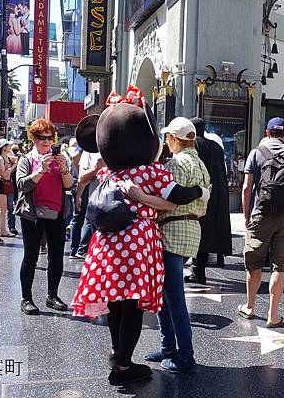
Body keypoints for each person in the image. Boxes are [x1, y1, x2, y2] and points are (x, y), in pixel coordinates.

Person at [71, 90, 209, 385]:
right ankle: (123, 366)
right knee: (132, 303)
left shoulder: (110, 172)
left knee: (115, 302)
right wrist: (201, 192)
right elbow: (179, 196)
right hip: (136, 243)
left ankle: (117, 352)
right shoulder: (151, 172)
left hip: (106, 245)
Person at [141, 117, 210, 373]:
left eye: (167, 138)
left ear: (172, 139)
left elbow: (167, 199)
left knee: (172, 297)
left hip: (172, 228)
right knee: (165, 295)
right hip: (190, 229)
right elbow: (202, 207)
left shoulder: (177, 163)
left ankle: (184, 355)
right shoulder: (200, 164)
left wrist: (140, 196)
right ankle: (168, 348)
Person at [238, 117, 284, 327]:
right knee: (280, 266)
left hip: (260, 211)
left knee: (254, 261)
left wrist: (247, 215)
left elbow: (246, 187)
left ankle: (250, 307)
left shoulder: (256, 153)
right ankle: (273, 315)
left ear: (267, 133)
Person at [15, 119, 75, 315]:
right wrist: (40, 170)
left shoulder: (60, 158)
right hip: (32, 214)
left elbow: (69, 185)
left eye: (51, 138)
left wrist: (65, 168)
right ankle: (26, 298)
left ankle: (52, 295)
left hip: (56, 213)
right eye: (43, 138)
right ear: (34, 138)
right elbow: (22, 185)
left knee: (56, 256)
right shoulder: (26, 159)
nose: (47, 142)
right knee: (31, 256)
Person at [184, 117, 232, 284]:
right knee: (207, 232)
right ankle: (199, 269)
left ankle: (196, 269)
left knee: (196, 231)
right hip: (215, 195)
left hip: (198, 194)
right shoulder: (216, 147)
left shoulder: (193, 145)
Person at [0, 139, 17, 237]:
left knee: (5, 209)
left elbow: (16, 159)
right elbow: (3, 174)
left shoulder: (7, 157)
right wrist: (13, 167)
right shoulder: (0, 159)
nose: (9, 147)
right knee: (2, 209)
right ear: (3, 147)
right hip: (2, 184)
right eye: (8, 146)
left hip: (7, 183)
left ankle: (2, 230)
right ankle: (2, 230)